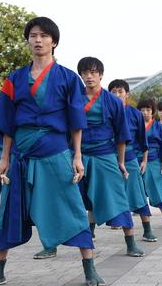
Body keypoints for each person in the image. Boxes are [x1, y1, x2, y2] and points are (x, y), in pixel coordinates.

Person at [0, 16, 104, 286]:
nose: (37, 40)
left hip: (55, 152)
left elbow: (76, 121)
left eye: (43, 35)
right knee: (8, 211)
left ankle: (90, 268)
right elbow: (6, 122)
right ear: (27, 40)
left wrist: (77, 156)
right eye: (32, 35)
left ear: (54, 41)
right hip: (19, 154)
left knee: (73, 209)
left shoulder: (68, 78)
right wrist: (3, 158)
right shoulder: (14, 78)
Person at [35, 57, 143, 259]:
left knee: (118, 198)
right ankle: (51, 245)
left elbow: (121, 134)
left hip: (104, 155)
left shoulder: (112, 101)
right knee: (64, 199)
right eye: (84, 72)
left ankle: (131, 243)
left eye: (93, 72)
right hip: (76, 156)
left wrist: (120, 161)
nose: (89, 76)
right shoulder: (72, 97)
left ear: (101, 74)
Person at [108, 79, 158, 243]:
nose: (116, 95)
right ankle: (91, 232)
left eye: (120, 91)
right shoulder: (103, 110)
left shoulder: (135, 113)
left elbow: (143, 140)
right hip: (107, 157)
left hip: (130, 158)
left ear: (127, 94)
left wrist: (143, 160)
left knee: (137, 194)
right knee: (100, 194)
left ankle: (147, 230)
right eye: (113, 91)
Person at [139, 98, 162, 228]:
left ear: (153, 111)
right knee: (135, 191)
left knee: (158, 189)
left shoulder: (159, 127)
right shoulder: (135, 125)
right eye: (142, 110)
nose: (145, 112)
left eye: (148, 109)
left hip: (155, 161)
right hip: (137, 161)